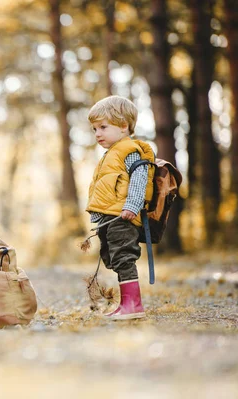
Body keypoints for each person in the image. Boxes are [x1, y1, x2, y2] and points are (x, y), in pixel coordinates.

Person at [86, 95, 155, 320]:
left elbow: (139, 179)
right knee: (114, 257)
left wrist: (132, 205)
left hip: (124, 216)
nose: (97, 134)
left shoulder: (129, 151)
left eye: (103, 127)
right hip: (112, 218)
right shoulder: (111, 154)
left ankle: (133, 305)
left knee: (124, 257)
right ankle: (126, 303)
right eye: (95, 129)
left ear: (124, 126)